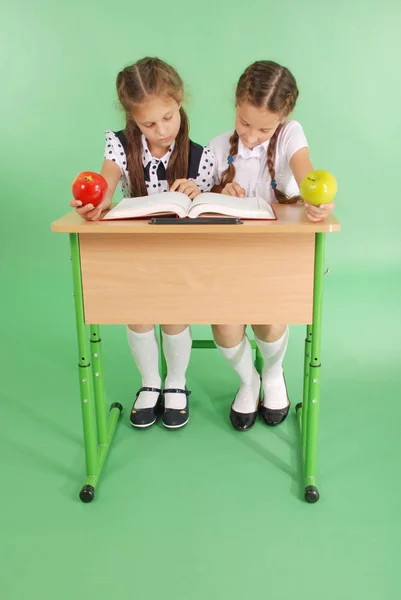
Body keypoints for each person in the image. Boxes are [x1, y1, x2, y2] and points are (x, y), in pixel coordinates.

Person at [70, 57, 215, 430]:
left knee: (174, 312)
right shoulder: (119, 145)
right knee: (138, 313)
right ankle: (150, 381)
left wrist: (197, 190)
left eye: (168, 117)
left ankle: (176, 383)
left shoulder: (203, 156)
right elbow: (105, 181)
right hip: (137, 250)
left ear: (179, 101)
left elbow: (211, 209)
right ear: (132, 119)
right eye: (148, 123)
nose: (161, 129)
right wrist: (94, 203)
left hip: (182, 254)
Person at [208, 60, 335, 431]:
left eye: (263, 128)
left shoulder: (290, 136)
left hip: (277, 258)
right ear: (235, 106)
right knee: (226, 327)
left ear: (284, 116)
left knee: (267, 320)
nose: (250, 136)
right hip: (230, 262)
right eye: (244, 123)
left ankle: (274, 374)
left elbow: (305, 171)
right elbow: (202, 201)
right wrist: (219, 191)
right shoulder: (218, 148)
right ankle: (248, 381)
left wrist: (317, 199)